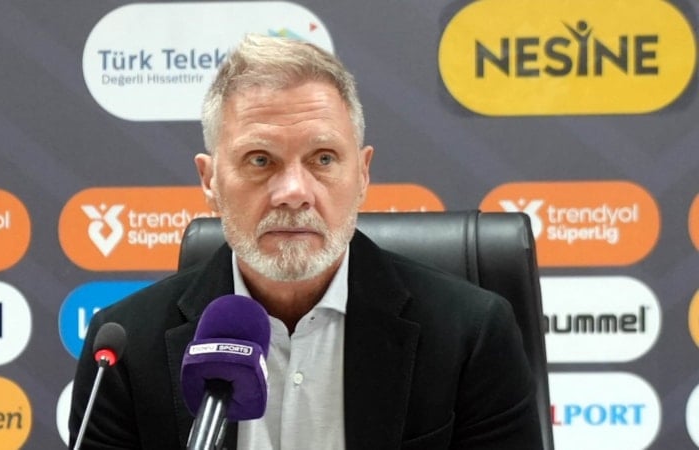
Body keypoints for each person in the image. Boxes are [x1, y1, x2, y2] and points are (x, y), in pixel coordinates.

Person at [69, 34, 542, 449]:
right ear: (209, 180)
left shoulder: (470, 336)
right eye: (260, 160)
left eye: (323, 158)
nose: (294, 192)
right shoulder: (125, 349)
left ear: (362, 174)